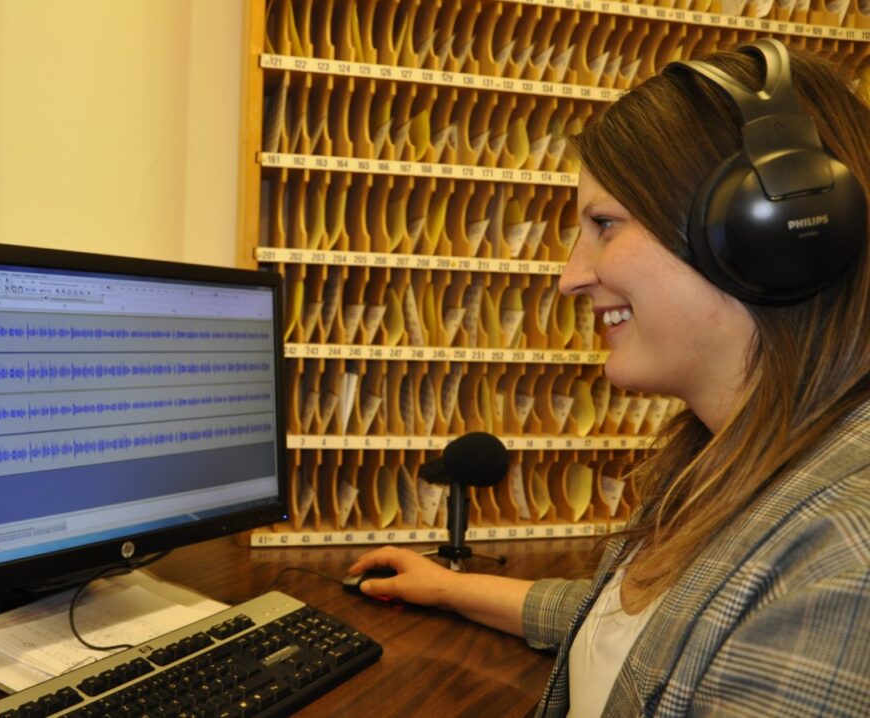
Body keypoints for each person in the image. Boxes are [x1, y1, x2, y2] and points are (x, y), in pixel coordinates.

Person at [348, 40, 870, 716]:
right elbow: (654, 627)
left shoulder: (845, 558)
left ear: (766, 233)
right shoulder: (727, 462)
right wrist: (451, 587)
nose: (571, 276)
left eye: (604, 224)